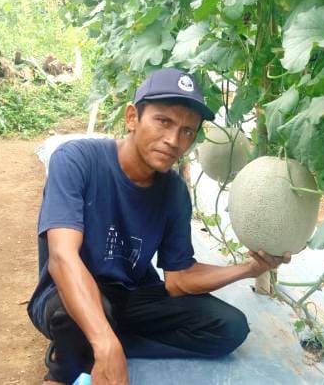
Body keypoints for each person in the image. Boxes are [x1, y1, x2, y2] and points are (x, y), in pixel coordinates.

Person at [27, 68, 291, 385]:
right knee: (77, 317)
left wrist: (248, 268)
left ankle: (100, 346)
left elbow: (179, 279)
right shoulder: (77, 160)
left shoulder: (174, 192)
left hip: (133, 297)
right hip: (68, 295)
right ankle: (67, 368)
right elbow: (62, 257)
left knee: (228, 328)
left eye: (187, 131)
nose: (173, 140)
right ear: (132, 118)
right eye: (163, 121)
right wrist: (105, 342)